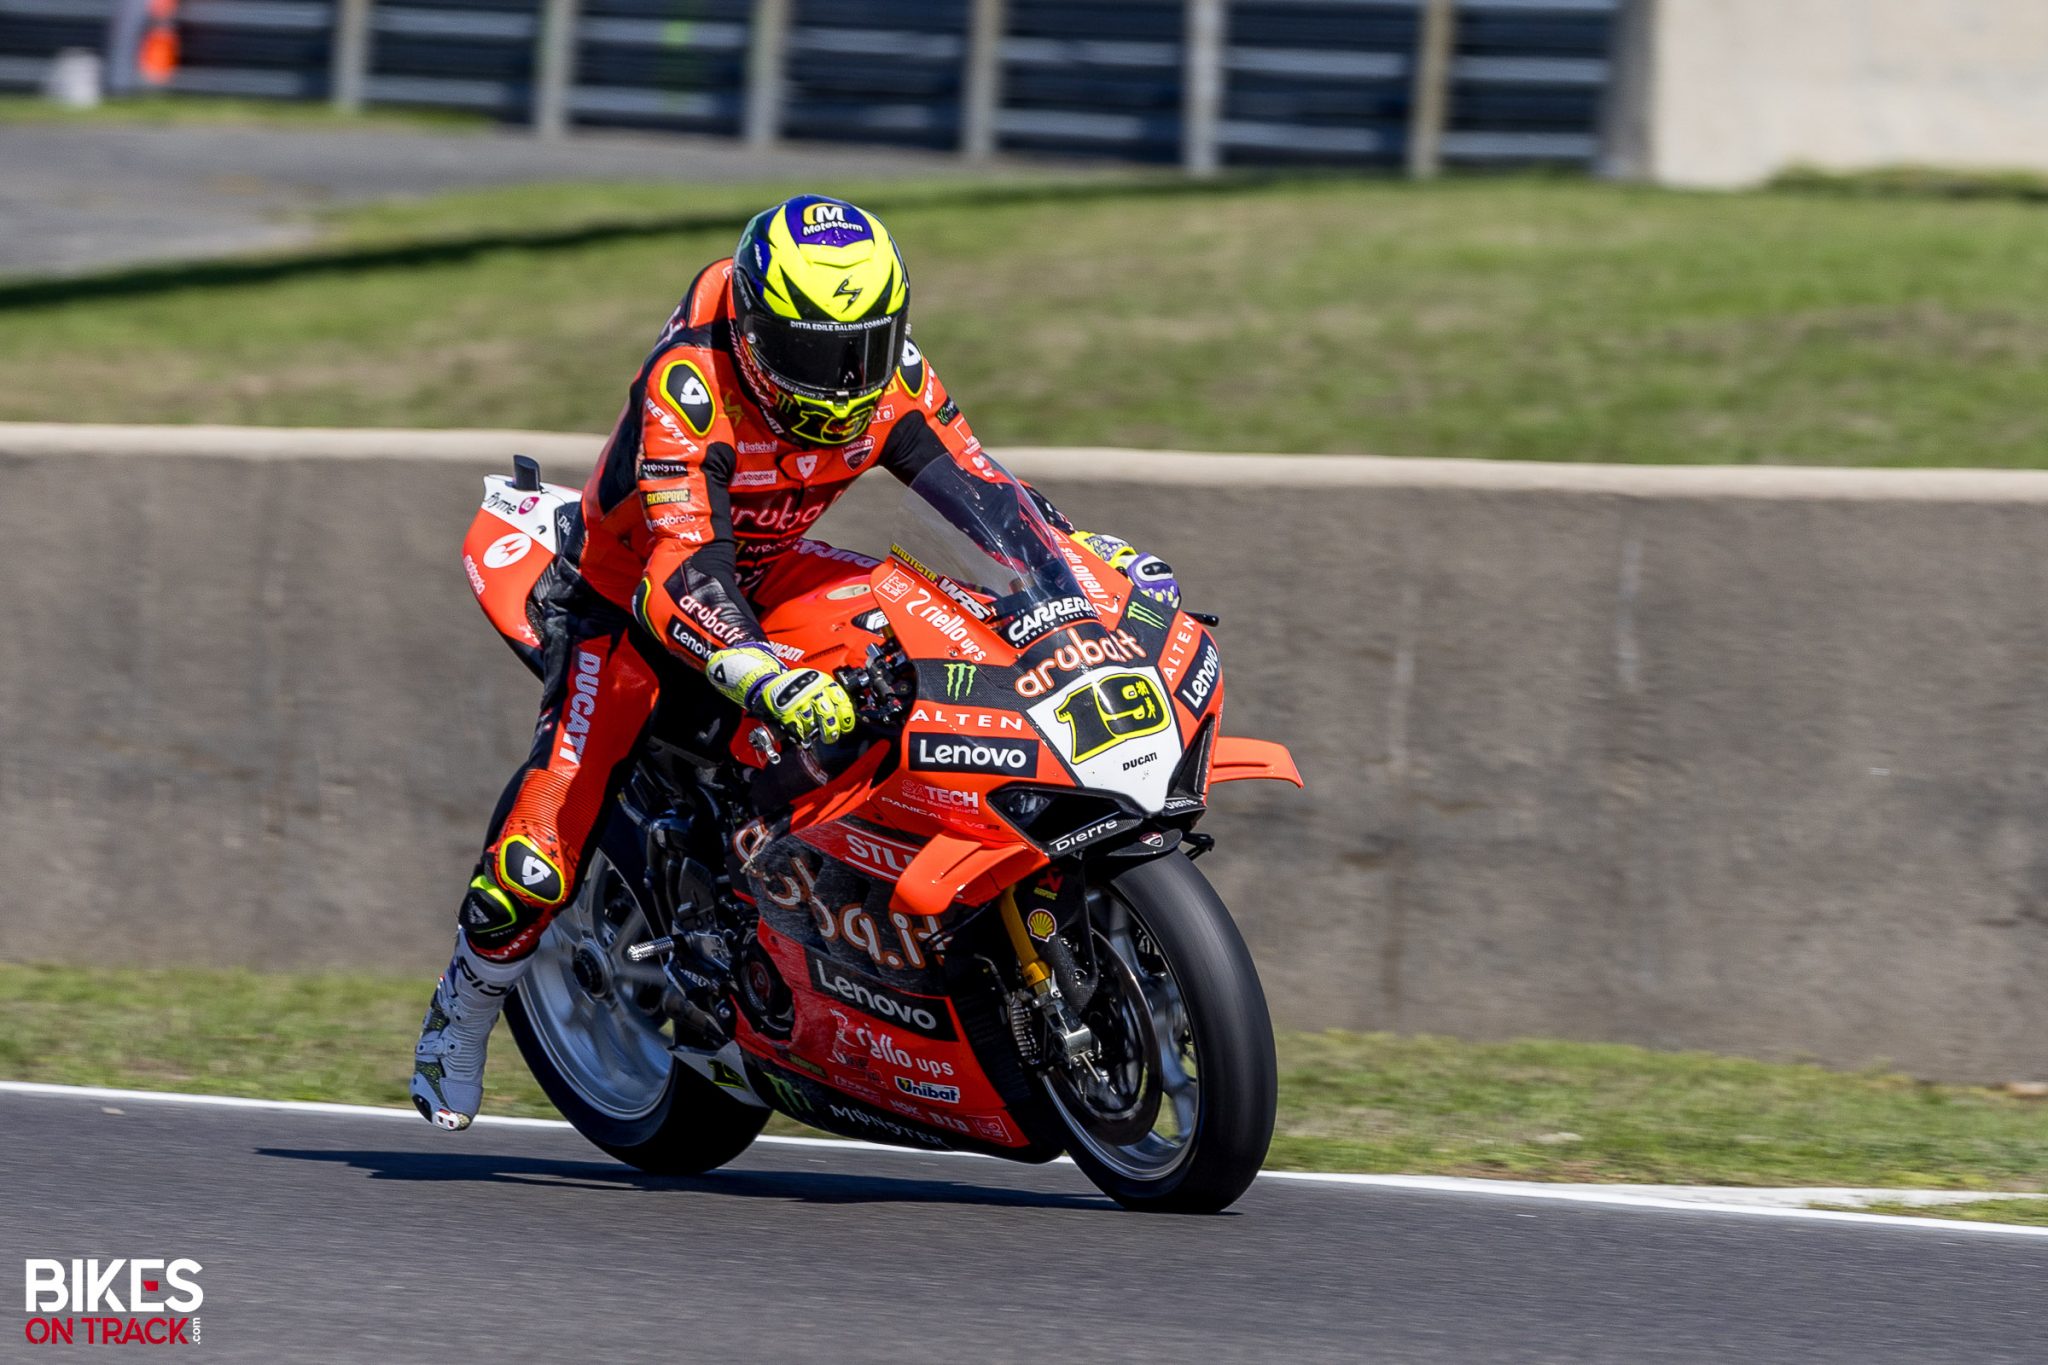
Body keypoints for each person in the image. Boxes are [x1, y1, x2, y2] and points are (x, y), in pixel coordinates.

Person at [411, 195, 1180, 1130]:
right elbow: (682, 569)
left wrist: (1085, 576)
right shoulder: (689, 388)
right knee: (537, 857)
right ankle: (465, 1005)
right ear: (757, 330)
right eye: (821, 355)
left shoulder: (887, 375)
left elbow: (987, 495)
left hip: (771, 573)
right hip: (629, 601)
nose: (848, 378)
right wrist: (762, 671)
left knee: (943, 628)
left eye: (868, 345)